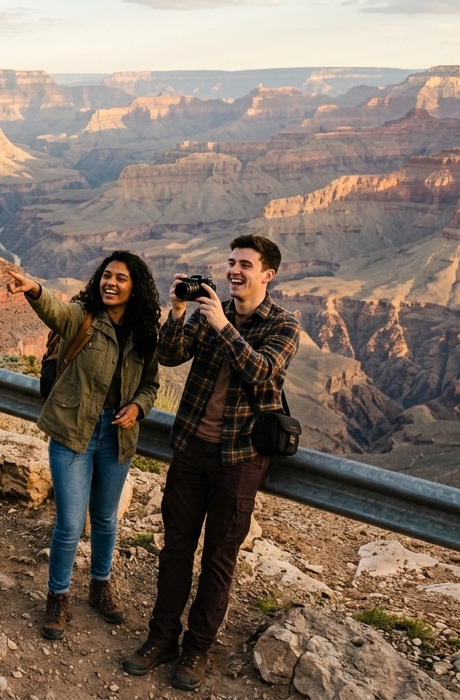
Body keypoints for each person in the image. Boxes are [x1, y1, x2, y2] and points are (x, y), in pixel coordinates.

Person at [122, 234, 300, 691]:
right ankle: (160, 638)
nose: (234, 271)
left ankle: (197, 649)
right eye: (231, 263)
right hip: (191, 448)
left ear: (268, 274)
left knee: (219, 558)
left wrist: (224, 326)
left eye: (245, 264)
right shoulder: (209, 310)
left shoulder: (283, 325)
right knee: (175, 549)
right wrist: (178, 311)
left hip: (240, 459)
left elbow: (262, 371)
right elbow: (169, 355)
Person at [7, 251, 161, 641]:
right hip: (74, 432)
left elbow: (151, 384)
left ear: (135, 286)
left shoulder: (144, 332)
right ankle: (57, 596)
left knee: (106, 519)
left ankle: (99, 586)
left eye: (120, 278)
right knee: (71, 524)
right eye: (106, 276)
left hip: (117, 434)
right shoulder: (84, 316)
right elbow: (56, 312)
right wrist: (35, 290)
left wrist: (138, 407)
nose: (110, 283)